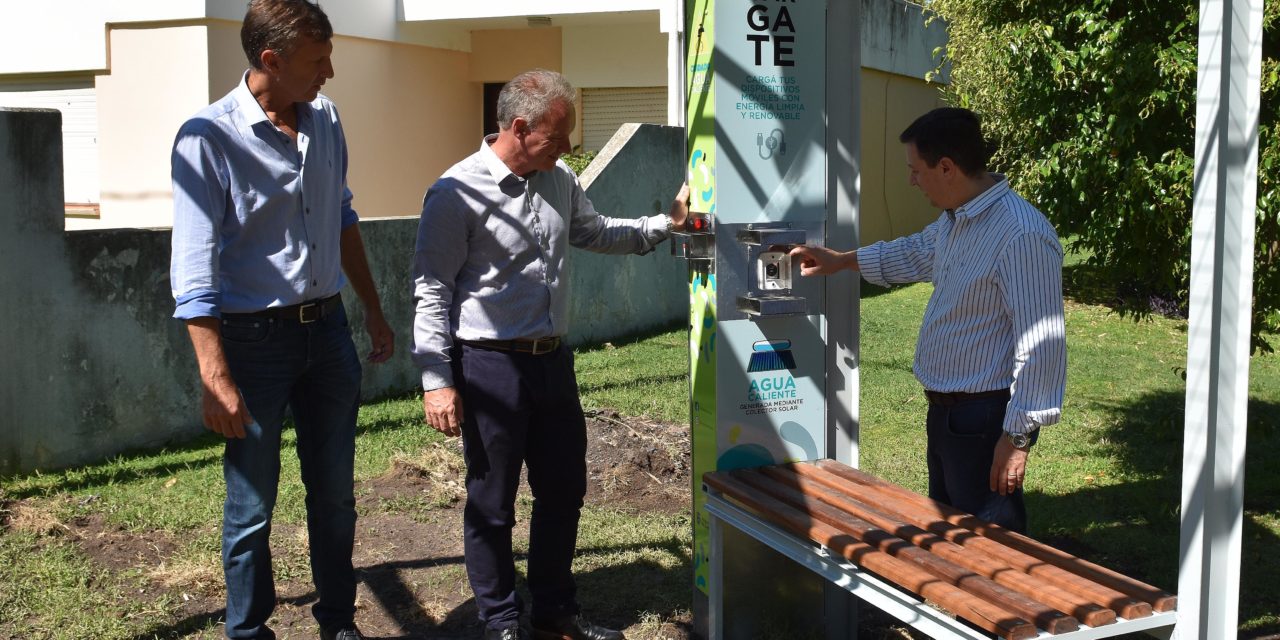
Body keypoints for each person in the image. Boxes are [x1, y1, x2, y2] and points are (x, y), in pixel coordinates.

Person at [411, 69, 688, 640]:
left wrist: (667, 224)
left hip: (552, 362)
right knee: (493, 501)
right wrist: (436, 379)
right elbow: (432, 289)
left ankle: (555, 613)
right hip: (489, 367)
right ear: (519, 126)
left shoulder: (557, 179)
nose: (568, 148)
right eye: (559, 137)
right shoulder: (454, 193)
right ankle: (501, 621)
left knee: (564, 490)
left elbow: (597, 231)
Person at [169, 1, 394, 638]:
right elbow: (192, 267)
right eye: (317, 61)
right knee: (250, 508)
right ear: (271, 61)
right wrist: (215, 375)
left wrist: (372, 308)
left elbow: (342, 216)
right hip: (252, 343)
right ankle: (247, 631)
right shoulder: (207, 138)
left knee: (335, 497)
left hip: (327, 334)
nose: (330, 72)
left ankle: (337, 623)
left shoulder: (325, 120)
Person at [789, 107, 1066, 534]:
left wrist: (1016, 440)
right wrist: (842, 262)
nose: (911, 181)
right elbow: (915, 252)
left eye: (915, 170)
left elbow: (1043, 343)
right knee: (953, 534)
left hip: (985, 419)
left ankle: (985, 603)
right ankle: (960, 602)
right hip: (949, 416)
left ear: (947, 167)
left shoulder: (1021, 233)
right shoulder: (958, 220)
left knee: (992, 546)